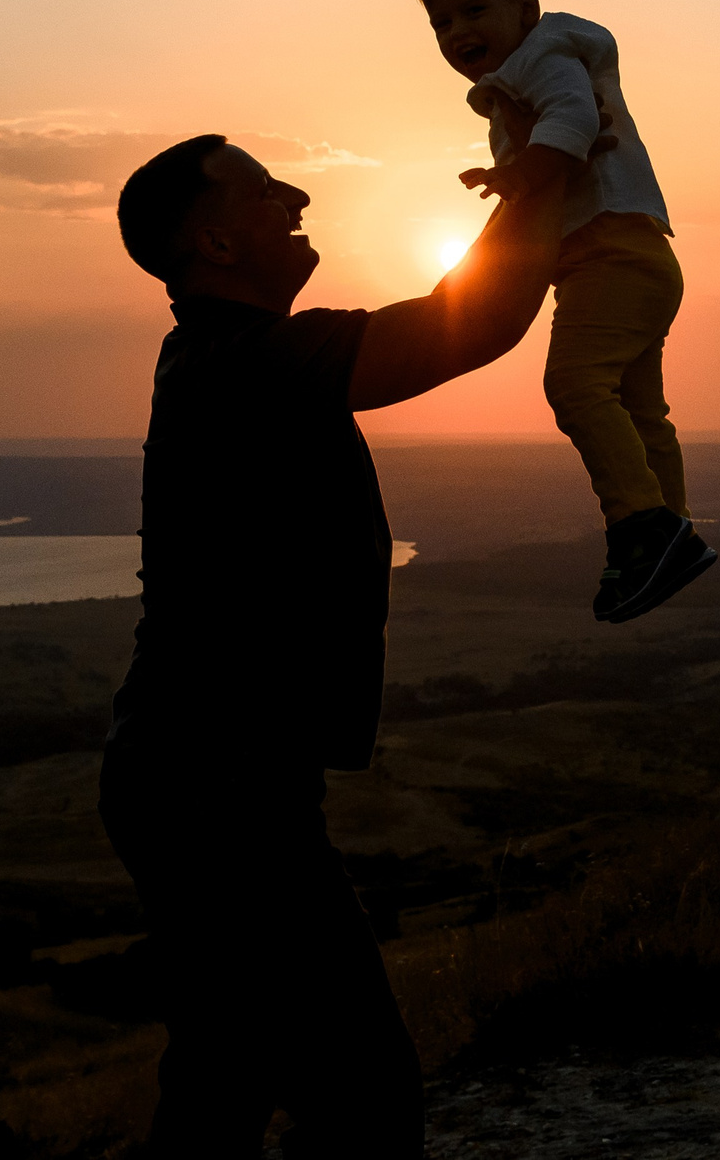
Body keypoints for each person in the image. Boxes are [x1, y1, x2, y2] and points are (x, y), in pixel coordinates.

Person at [102, 131, 571, 1157]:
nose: (294, 194)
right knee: (359, 1091)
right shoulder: (240, 363)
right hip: (211, 788)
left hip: (203, 778)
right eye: (266, 189)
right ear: (219, 239)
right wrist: (549, 179)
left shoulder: (236, 360)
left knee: (226, 1077)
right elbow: (471, 323)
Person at [417, 0, 716, 624]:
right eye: (440, 22)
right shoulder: (524, 70)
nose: (457, 30)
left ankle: (642, 525)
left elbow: (574, 122)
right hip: (633, 257)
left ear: (526, 9)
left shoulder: (542, 61)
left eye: (474, 10)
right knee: (641, 409)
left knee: (574, 382)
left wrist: (518, 175)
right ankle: (671, 527)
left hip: (609, 253)